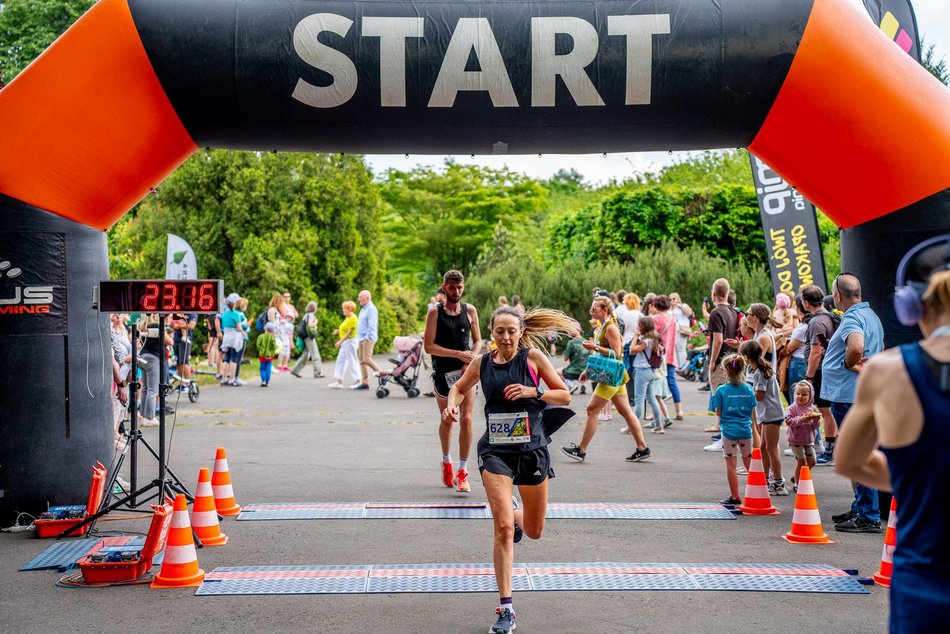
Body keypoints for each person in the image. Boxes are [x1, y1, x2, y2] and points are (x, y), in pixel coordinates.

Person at [835, 235, 950, 631]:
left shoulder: (888, 371)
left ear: (910, 305)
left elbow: (849, 459)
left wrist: (916, 474)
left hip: (928, 582)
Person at [442, 305, 573, 634]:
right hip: (496, 452)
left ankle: (517, 515)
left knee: (533, 530)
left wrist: (534, 390)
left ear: (520, 332)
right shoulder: (481, 363)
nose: (505, 337)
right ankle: (506, 609)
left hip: (532, 452)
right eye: (499, 331)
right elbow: (458, 388)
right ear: (491, 332)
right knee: (502, 529)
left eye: (511, 331)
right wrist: (452, 406)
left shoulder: (533, 360)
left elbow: (565, 396)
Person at [820, 273, 884, 532]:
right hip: (861, 394)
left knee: (859, 454)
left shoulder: (853, 317)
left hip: (850, 396)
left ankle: (868, 514)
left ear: (837, 296)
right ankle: (862, 507)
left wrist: (850, 362)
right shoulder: (871, 316)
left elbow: (856, 347)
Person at [560, 295, 651, 463]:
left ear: (604, 310)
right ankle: (642, 448)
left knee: (592, 410)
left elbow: (617, 353)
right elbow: (604, 353)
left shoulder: (610, 327)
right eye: (591, 308)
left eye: (594, 308)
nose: (591, 311)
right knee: (626, 412)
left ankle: (581, 450)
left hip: (611, 376)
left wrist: (594, 346)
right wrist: (588, 370)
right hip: (615, 375)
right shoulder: (604, 326)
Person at [424, 270, 483, 493]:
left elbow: (478, 342)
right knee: (448, 419)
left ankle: (463, 470)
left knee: (467, 419)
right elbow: (429, 346)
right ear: (444, 287)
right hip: (443, 374)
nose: (455, 291)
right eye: (451, 287)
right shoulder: (434, 312)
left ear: (463, 287)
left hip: (467, 372)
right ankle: (447, 461)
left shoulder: (470, 311)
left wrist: (470, 358)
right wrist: (458, 354)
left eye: (459, 287)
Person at [739, 340, 787, 495]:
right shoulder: (758, 370)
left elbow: (759, 396)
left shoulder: (760, 372)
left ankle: (779, 483)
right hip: (765, 414)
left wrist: (745, 394)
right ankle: (764, 478)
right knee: (764, 448)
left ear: (747, 356)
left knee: (771, 449)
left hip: (772, 414)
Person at [711, 354, 758, 505]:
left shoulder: (721, 390)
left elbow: (718, 412)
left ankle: (735, 496)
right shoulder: (749, 389)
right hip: (745, 430)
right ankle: (758, 493)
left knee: (731, 464)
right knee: (749, 464)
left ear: (725, 371)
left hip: (729, 432)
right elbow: (752, 410)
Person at [801, 284, 839, 463]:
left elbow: (816, 351)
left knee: (825, 410)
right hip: (828, 369)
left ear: (806, 302)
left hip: (821, 370)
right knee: (827, 410)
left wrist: (808, 377)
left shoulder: (816, 322)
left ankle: (830, 449)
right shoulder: (830, 316)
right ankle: (833, 446)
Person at [704, 278, 739, 438]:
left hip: (721, 360)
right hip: (732, 357)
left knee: (720, 395)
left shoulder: (716, 312)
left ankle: (723, 432)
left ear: (713, 294)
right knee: (729, 394)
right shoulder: (732, 311)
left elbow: (718, 340)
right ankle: (723, 428)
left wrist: (712, 361)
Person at [627, 316, 669, 432]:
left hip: (642, 370)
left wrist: (635, 336)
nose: (637, 327)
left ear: (643, 326)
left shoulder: (646, 341)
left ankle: (632, 427)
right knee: (651, 399)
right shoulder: (654, 338)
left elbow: (632, 350)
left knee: (639, 399)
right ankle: (658, 426)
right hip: (651, 371)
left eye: (639, 325)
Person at [785, 380, 821, 491]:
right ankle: (797, 484)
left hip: (808, 440)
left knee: (812, 461)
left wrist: (816, 421)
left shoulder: (813, 409)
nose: (800, 396)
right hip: (795, 440)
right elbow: (789, 422)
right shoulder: (792, 408)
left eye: (804, 395)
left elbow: (816, 426)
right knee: (801, 461)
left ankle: (799, 476)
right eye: (798, 394)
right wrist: (802, 419)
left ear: (810, 396)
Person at [653, 294, 684, 421]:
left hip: (658, 355)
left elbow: (652, 336)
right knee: (672, 382)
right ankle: (679, 411)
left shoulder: (656, 318)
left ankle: (657, 410)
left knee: (656, 383)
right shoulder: (673, 318)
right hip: (670, 354)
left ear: (656, 305)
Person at [328, 300, 360, 389]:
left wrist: (340, 341)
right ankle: (339, 381)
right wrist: (338, 331)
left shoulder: (353, 318)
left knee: (352, 360)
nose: (343, 310)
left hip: (350, 342)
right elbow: (344, 329)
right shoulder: (348, 317)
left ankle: (358, 380)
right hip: (345, 343)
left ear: (349, 309)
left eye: (344, 308)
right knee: (340, 360)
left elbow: (350, 332)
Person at [354, 290, 381, 390]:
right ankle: (364, 382)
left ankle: (382, 374)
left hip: (368, 338)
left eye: (360, 297)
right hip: (361, 338)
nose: (359, 299)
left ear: (367, 298)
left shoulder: (371, 309)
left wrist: (366, 338)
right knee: (362, 361)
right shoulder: (364, 308)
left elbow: (372, 325)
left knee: (367, 359)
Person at [292, 300, 325, 378]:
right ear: (314, 308)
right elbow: (310, 325)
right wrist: (315, 322)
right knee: (315, 354)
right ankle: (317, 373)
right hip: (309, 337)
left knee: (305, 354)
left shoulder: (306, 315)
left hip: (305, 336)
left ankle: (295, 370)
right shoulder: (310, 315)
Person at [559, 323, 589, 394]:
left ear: (577, 330)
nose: (568, 332)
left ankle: (571, 385)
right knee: (582, 367)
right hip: (585, 372)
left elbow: (565, 358)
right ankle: (583, 384)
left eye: (570, 330)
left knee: (557, 372)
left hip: (573, 372)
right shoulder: (587, 342)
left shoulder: (571, 343)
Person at [169, 312, 196, 385]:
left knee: (184, 362)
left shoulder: (191, 314)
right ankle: (181, 383)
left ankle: (187, 383)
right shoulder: (178, 313)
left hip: (185, 341)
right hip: (176, 339)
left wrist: (179, 326)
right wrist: (178, 325)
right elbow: (173, 324)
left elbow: (191, 326)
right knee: (178, 363)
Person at [670, 292, 694, 370]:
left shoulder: (683, 306)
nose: (672, 300)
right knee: (674, 348)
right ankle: (678, 366)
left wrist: (680, 306)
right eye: (670, 299)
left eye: (674, 298)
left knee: (681, 348)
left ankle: (684, 366)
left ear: (677, 299)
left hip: (682, 330)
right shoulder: (670, 309)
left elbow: (690, 313)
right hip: (673, 330)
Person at [257, 322, 279, 387]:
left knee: (262, 368)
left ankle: (263, 380)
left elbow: (258, 345)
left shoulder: (260, 336)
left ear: (265, 328)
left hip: (262, 356)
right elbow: (274, 346)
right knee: (268, 369)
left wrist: (260, 351)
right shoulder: (273, 338)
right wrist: (272, 353)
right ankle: (267, 381)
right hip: (270, 356)